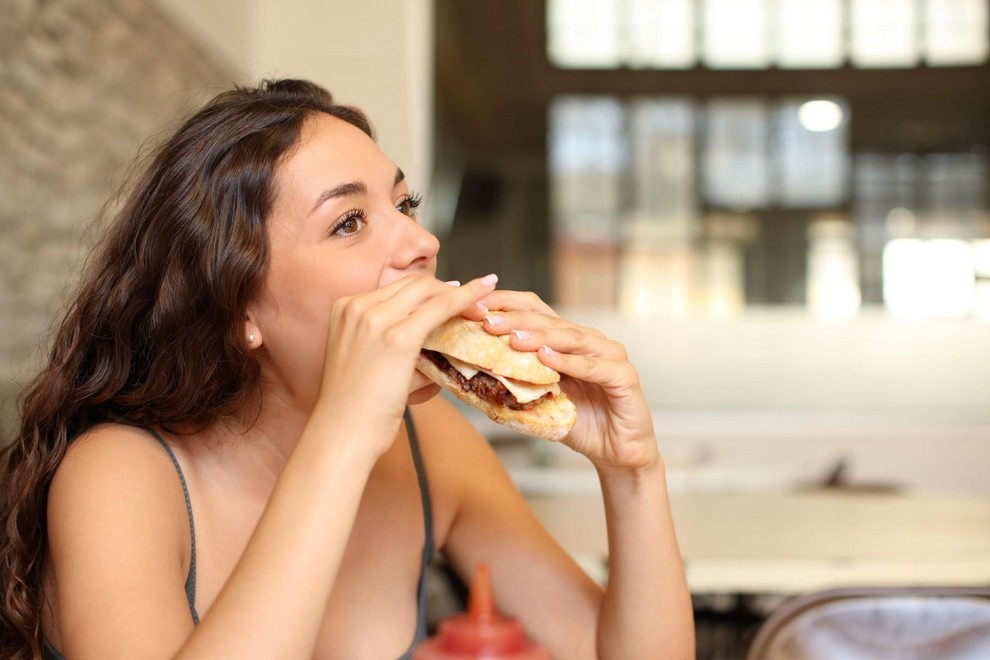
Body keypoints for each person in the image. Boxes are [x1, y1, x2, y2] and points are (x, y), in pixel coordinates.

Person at [0, 79, 693, 659]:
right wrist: (344, 429)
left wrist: (632, 471)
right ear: (239, 304)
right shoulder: (118, 473)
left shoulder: (431, 445)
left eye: (403, 205)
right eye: (348, 223)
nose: (422, 242)